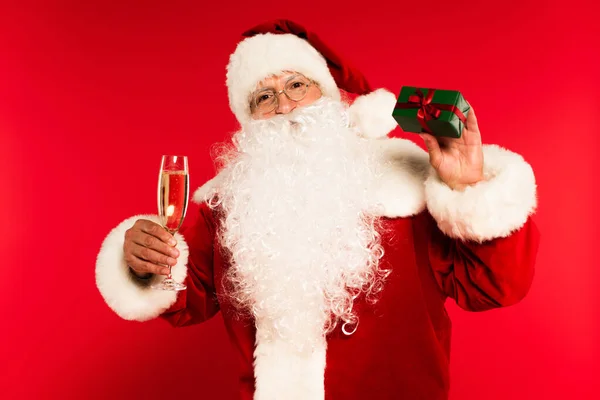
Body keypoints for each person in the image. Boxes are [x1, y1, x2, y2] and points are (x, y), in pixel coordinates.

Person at [95, 20, 540, 400]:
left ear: (327, 96)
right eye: (264, 97)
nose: (285, 106)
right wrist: (142, 259)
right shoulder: (226, 203)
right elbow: (183, 297)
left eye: (296, 85)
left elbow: (493, 287)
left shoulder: (406, 177)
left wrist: (468, 187)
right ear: (248, 119)